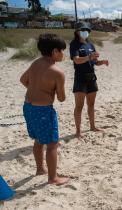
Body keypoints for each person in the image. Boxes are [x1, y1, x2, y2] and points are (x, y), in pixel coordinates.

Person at [20, 34, 70, 185]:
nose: (63, 54)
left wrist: (36, 89)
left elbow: (23, 79)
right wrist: (48, 92)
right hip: (43, 111)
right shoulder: (57, 72)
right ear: (55, 51)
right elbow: (61, 98)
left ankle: (40, 169)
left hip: (28, 106)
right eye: (62, 51)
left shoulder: (35, 63)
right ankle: (53, 178)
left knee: (38, 140)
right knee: (52, 144)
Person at [70, 22, 109, 138]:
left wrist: (102, 62)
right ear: (77, 31)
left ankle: (92, 126)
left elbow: (94, 62)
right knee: (79, 106)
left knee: (91, 104)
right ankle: (78, 131)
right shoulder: (74, 45)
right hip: (80, 78)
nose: (85, 32)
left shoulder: (90, 45)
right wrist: (89, 57)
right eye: (82, 29)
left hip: (91, 77)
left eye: (87, 30)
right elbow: (76, 60)